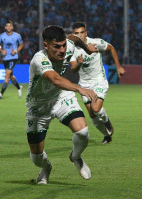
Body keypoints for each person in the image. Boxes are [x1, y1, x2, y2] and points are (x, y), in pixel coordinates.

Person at [26, 25, 99, 184]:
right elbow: (55, 79)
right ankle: (46, 167)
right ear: (46, 45)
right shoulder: (39, 60)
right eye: (56, 47)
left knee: (83, 133)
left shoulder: (69, 45)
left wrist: (86, 47)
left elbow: (73, 38)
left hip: (61, 97)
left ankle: (76, 157)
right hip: (39, 107)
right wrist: (80, 89)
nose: (62, 50)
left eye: (63, 45)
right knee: (37, 156)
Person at [69, 22, 125, 144]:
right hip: (84, 84)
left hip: (99, 81)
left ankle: (106, 121)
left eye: (82, 32)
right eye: (76, 33)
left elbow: (111, 48)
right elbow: (73, 69)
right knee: (92, 116)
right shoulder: (72, 49)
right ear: (73, 35)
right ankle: (107, 135)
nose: (80, 35)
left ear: (86, 33)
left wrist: (118, 67)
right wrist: (79, 63)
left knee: (95, 108)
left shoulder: (95, 42)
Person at [0, 20, 23, 99]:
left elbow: (21, 44)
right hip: (5, 58)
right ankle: (19, 88)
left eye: (10, 26)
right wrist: (2, 50)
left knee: (7, 74)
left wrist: (16, 51)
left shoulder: (17, 36)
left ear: (12, 27)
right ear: (5, 27)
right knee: (10, 76)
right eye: (7, 26)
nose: (9, 27)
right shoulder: (2, 36)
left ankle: (1, 93)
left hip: (13, 57)